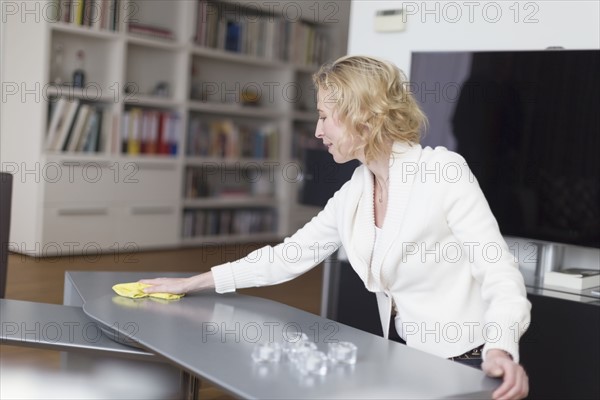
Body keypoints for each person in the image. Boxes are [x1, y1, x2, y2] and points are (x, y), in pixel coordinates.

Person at [141, 55, 531, 399]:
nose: (317, 131)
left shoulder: (442, 172)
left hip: (467, 363)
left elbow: (499, 272)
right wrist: (190, 283)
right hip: (406, 356)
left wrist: (501, 347)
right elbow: (287, 257)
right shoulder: (356, 191)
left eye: (325, 116)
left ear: (364, 115)